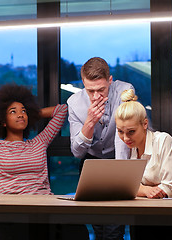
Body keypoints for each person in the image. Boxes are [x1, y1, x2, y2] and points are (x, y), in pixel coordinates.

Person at [0, 84, 88, 240]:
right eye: (13, 112)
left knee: (77, 227)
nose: (20, 115)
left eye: (23, 111)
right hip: (14, 212)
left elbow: (61, 110)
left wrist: (32, 114)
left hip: (44, 209)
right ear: (3, 121)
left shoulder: (39, 143)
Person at [115, 89, 172, 240]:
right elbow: (126, 187)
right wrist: (144, 190)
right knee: (137, 226)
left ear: (145, 124)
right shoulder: (131, 148)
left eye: (131, 132)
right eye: (120, 132)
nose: (125, 138)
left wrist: (139, 189)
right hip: (153, 215)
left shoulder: (163, 140)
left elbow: (170, 188)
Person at [67, 57, 134, 240]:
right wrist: (89, 122)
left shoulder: (125, 91)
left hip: (117, 161)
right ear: (83, 84)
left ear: (110, 80)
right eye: (90, 91)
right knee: (97, 226)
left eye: (101, 89)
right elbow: (77, 152)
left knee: (114, 230)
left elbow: (123, 139)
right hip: (91, 163)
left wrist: (121, 175)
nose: (96, 96)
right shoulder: (74, 102)